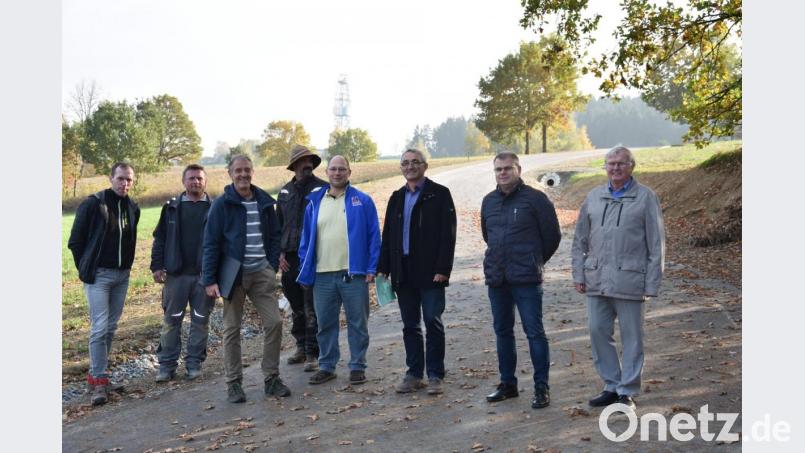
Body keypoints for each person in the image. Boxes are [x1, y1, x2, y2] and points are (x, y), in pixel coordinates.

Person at [571, 146, 665, 412]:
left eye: (621, 163)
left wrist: (652, 283)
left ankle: (628, 390)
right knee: (598, 331)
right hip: (597, 278)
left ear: (631, 166)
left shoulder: (645, 198)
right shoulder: (593, 197)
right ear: (605, 167)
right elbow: (579, 240)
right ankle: (611, 385)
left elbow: (656, 243)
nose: (615, 168)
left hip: (631, 280)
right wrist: (579, 273)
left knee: (632, 337)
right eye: (610, 163)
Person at [200, 155, 290, 403]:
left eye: (247, 170)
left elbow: (274, 235)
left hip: (261, 272)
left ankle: (271, 378)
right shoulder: (221, 204)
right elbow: (210, 243)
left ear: (252, 172)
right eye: (238, 170)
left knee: (274, 323)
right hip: (233, 275)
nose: (243, 174)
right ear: (230, 173)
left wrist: (271, 266)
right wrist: (209, 279)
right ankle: (234, 384)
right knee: (231, 329)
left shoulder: (263, 202)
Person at [480, 152, 561, 409]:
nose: (503, 173)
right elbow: (488, 235)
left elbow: (552, 237)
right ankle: (508, 384)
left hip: (526, 278)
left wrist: (533, 259)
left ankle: (541, 387)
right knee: (502, 332)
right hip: (497, 278)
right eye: (498, 169)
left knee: (534, 333)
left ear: (518, 169)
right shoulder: (488, 202)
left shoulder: (536, 200)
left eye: (507, 168)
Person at [296, 155, 381, 386]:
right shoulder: (314, 202)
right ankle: (327, 366)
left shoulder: (362, 201)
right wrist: (305, 266)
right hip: (322, 275)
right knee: (325, 324)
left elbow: (374, 236)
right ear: (327, 173)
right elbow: (305, 239)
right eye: (333, 169)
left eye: (341, 169)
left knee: (357, 323)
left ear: (349, 172)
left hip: (354, 274)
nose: (337, 173)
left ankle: (357, 366)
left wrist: (372, 267)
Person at [377, 149, 456, 395]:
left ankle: (435, 375)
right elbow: (388, 234)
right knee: (410, 325)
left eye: (415, 162)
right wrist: (383, 269)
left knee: (432, 321)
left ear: (425, 165)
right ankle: (414, 374)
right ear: (401, 167)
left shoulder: (440, 194)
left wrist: (443, 269)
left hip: (431, 272)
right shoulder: (397, 197)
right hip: (404, 272)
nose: (410, 167)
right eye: (405, 163)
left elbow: (448, 234)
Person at [68, 162, 141, 406]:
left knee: (110, 328)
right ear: (111, 178)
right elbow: (75, 241)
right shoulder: (94, 203)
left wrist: (127, 267)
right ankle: (98, 382)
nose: (125, 183)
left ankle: (98, 377)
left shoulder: (133, 207)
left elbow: (130, 240)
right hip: (98, 276)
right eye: (120, 178)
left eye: (129, 180)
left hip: (122, 276)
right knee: (99, 328)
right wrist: (86, 268)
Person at [150, 164, 214, 382]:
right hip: (176, 276)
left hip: (204, 277)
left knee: (200, 321)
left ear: (205, 181)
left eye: (199, 178)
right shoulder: (171, 208)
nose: (195, 182)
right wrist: (156, 266)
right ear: (183, 181)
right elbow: (160, 239)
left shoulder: (215, 208)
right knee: (171, 321)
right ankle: (166, 366)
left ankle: (194, 363)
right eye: (191, 178)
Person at [277, 145, 327, 372]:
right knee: (295, 304)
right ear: (294, 165)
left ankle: (312, 352)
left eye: (310, 161)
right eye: (302, 161)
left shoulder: (323, 189)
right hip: (289, 258)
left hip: (313, 256)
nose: (307, 164)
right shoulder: (285, 192)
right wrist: (278, 254)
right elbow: (277, 225)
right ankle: (300, 345)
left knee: (311, 306)